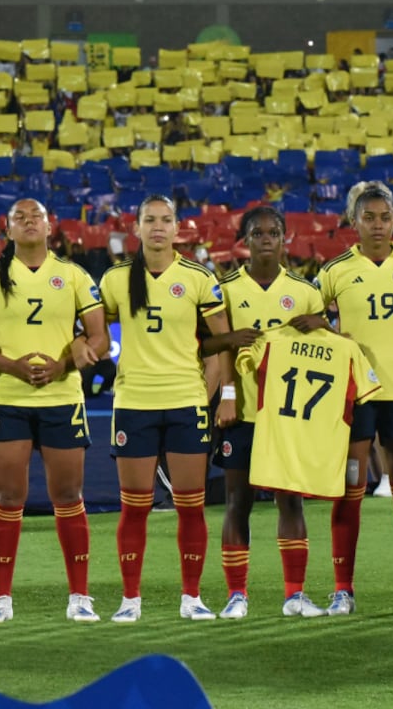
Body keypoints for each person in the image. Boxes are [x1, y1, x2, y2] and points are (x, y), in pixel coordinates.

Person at [0, 198, 109, 624]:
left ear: (50, 225)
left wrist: (64, 363)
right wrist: (11, 366)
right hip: (7, 398)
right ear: (7, 231)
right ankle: (0, 597)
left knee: (68, 497)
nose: (28, 222)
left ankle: (80, 596)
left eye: (35, 216)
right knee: (8, 497)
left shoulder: (73, 275)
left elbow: (101, 340)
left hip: (61, 398)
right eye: (18, 217)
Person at [98, 194, 234, 623]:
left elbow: (223, 341)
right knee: (134, 505)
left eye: (166, 220)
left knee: (190, 504)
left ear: (179, 229)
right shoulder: (115, 280)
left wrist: (222, 395)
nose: (158, 227)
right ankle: (130, 600)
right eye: (150, 220)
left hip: (184, 403)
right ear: (136, 228)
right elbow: (93, 333)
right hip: (134, 402)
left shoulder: (198, 277)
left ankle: (191, 597)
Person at [316, 180, 393, 615]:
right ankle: (342, 590)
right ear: (354, 222)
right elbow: (310, 318)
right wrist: (334, 340)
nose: (377, 225)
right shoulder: (334, 272)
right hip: (355, 398)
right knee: (350, 491)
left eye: (385, 217)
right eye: (368, 217)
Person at [206, 206, 331, 619]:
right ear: (244, 240)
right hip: (242, 410)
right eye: (257, 232)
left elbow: (324, 352)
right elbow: (221, 346)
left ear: (285, 239)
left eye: (273, 231)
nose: (265, 237)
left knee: (290, 502)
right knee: (237, 500)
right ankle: (236, 595)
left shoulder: (306, 291)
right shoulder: (224, 289)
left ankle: (294, 594)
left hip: (288, 416)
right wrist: (226, 395)